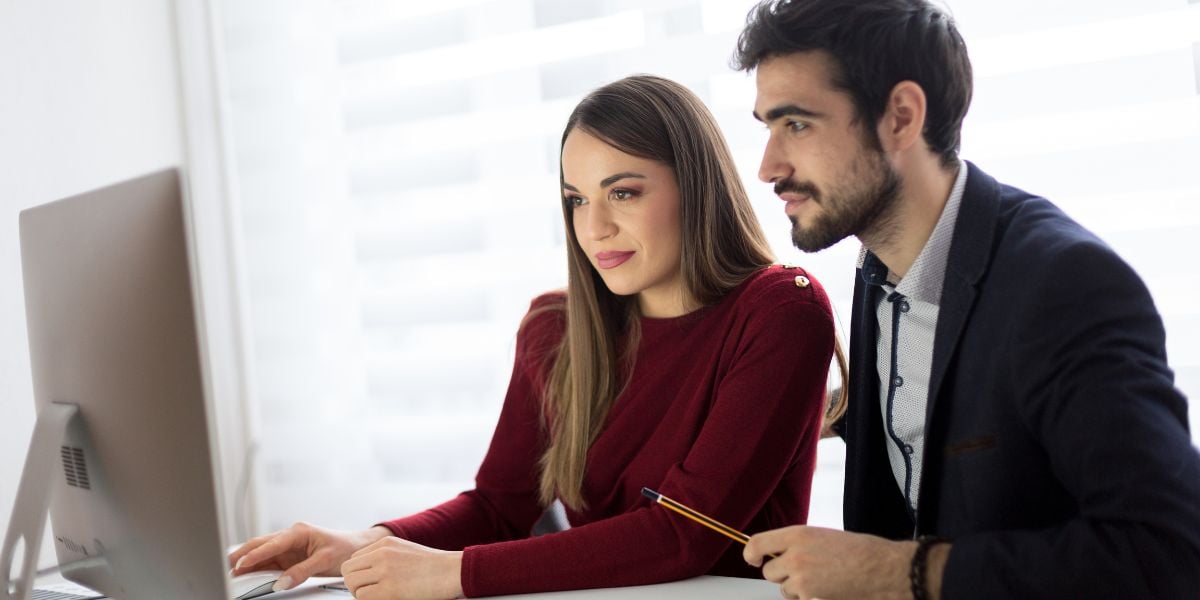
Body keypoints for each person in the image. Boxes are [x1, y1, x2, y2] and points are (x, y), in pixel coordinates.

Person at [228, 75, 846, 599]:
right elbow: (500, 506)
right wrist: (371, 542)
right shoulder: (555, 329)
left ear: (697, 185)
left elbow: (685, 534)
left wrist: (455, 575)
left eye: (623, 192)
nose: (595, 226)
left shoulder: (780, 310)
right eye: (577, 199)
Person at [731, 1, 1200, 599]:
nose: (768, 167)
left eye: (796, 124)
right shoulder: (878, 260)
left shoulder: (1063, 284)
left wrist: (896, 573)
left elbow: (1171, 550)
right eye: (766, 128)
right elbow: (964, 399)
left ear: (901, 117)